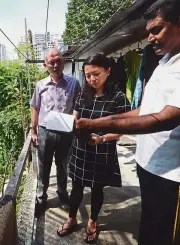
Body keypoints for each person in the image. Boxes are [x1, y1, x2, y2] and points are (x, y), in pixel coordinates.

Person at [75, 1, 180, 244]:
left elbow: (166, 118)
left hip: (171, 175)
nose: (151, 38)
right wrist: (96, 121)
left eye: (157, 30)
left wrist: (96, 127)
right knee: (150, 225)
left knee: (165, 234)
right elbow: (144, 110)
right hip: (148, 165)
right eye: (149, 32)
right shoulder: (164, 63)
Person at [56, 54, 131, 242]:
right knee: (76, 188)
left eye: (96, 74)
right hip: (81, 149)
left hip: (102, 150)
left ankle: (92, 221)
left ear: (108, 70)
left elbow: (124, 128)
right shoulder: (83, 94)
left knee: (97, 189)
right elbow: (75, 117)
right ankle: (72, 218)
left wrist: (104, 138)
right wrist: (69, 124)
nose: (92, 79)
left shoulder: (118, 97)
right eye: (88, 75)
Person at [30, 48, 80, 217]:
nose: (55, 64)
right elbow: (35, 107)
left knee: (63, 166)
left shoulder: (74, 83)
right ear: (46, 65)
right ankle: (41, 198)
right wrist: (33, 131)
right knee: (43, 167)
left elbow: (78, 106)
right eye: (51, 62)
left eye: (58, 61)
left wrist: (74, 124)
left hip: (66, 131)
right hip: (45, 131)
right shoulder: (40, 85)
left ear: (63, 62)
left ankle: (62, 196)